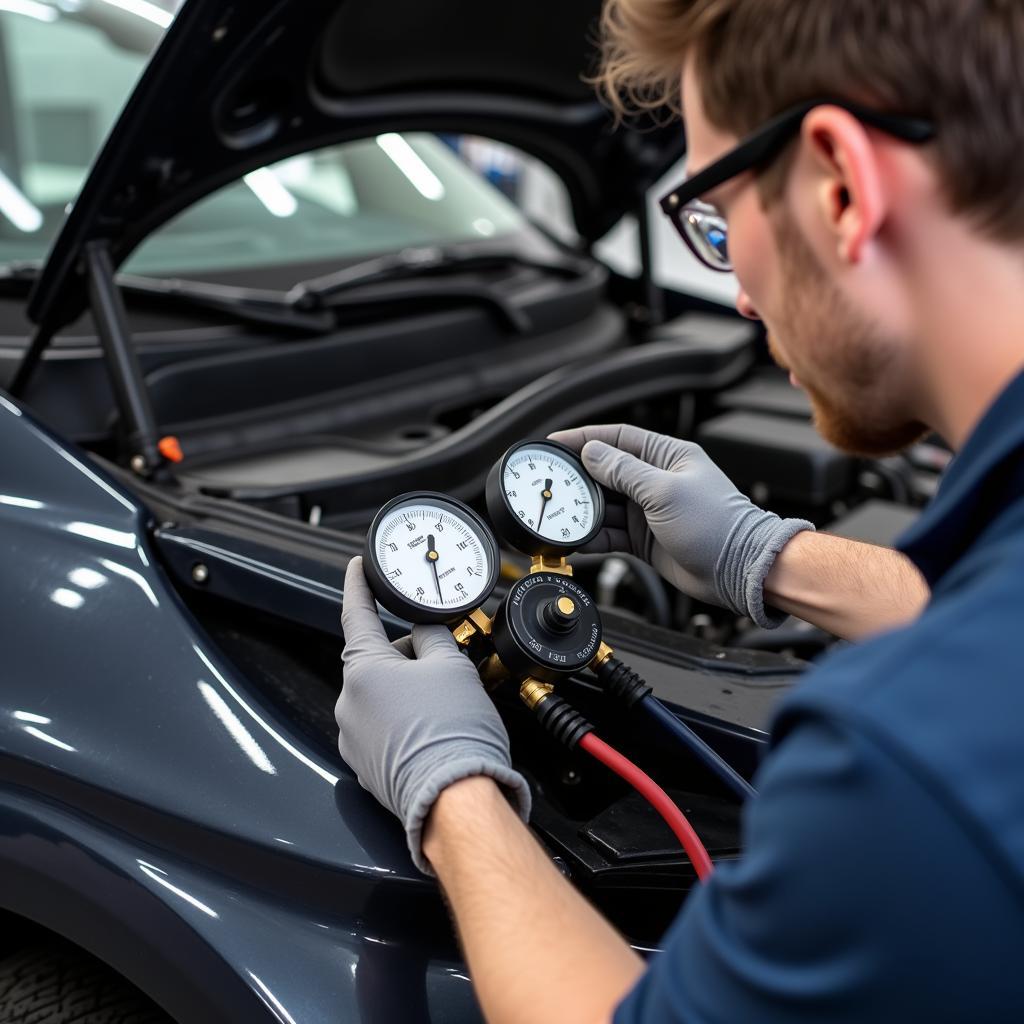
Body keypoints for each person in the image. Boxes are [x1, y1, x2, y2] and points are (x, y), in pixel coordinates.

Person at [336, 0, 1024, 1019]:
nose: (737, 293)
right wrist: (765, 553)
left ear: (838, 184)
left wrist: (452, 793)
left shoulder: (899, 768)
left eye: (713, 214)